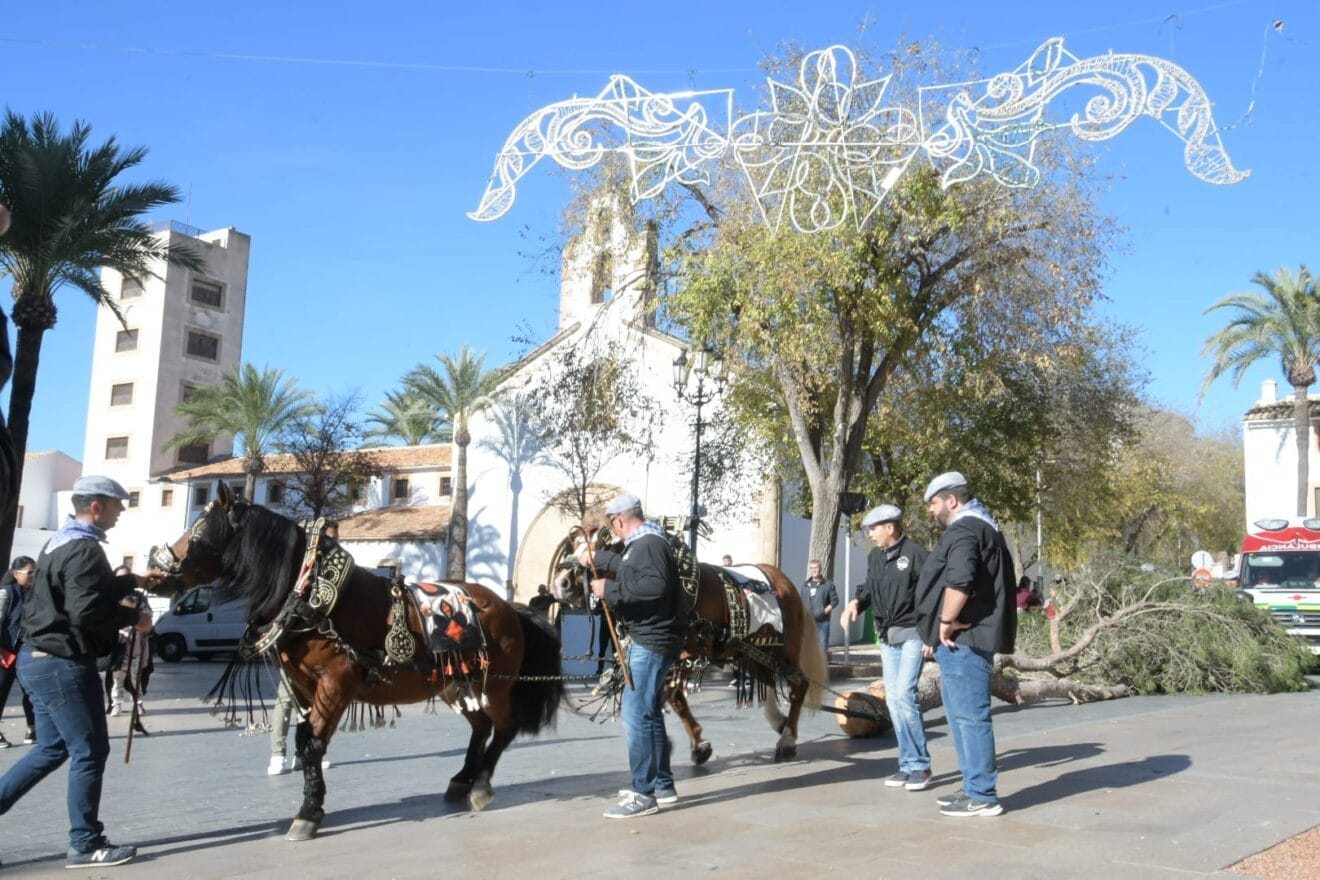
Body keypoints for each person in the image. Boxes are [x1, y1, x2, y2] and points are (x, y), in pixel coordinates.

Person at [0, 475, 158, 867]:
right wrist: (134, 617)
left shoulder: (59, 542)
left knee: (52, 748)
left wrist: (130, 580)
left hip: (37, 660)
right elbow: (85, 610)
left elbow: (77, 591)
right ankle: (85, 844)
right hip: (62, 663)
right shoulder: (86, 549)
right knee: (90, 750)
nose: (121, 512)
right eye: (118, 505)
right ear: (96, 507)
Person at [914, 471, 1017, 818]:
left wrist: (945, 623)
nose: (931, 510)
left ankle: (983, 795)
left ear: (952, 500)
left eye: (934, 503)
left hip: (965, 640)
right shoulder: (981, 526)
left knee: (970, 717)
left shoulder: (966, 529)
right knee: (960, 717)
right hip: (962, 639)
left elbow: (960, 579)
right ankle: (973, 786)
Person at [584, 492, 687, 819]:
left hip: (651, 642)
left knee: (635, 715)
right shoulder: (644, 544)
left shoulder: (649, 545)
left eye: (611, 526)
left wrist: (608, 590)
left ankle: (643, 794)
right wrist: (597, 559)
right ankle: (663, 785)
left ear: (618, 521)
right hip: (652, 640)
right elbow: (628, 567)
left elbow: (654, 586)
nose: (612, 530)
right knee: (649, 712)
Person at [840, 504, 932, 791]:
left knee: (905, 694)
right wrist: (856, 602)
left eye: (874, 528)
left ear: (890, 527)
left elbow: (932, 594)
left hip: (913, 635)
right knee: (893, 700)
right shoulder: (875, 558)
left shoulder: (916, 555)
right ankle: (906, 765)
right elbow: (869, 588)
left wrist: (931, 634)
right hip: (887, 638)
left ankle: (920, 765)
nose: (870, 533)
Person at [0, 556, 37, 748]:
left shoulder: (35, 594)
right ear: (16, 574)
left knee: (31, 692)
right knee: (2, 691)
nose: (33, 576)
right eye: (29, 572)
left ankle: (32, 729)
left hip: (27, 651)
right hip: (6, 651)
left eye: (35, 572)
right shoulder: (7, 593)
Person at [800, 559, 838, 661]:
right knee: (807, 647)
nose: (813, 570)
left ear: (820, 569)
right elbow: (801, 602)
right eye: (811, 568)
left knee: (822, 647)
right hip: (807, 622)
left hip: (822, 622)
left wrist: (824, 611)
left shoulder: (828, 584)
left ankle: (821, 673)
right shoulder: (805, 585)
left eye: (816, 568)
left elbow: (835, 601)